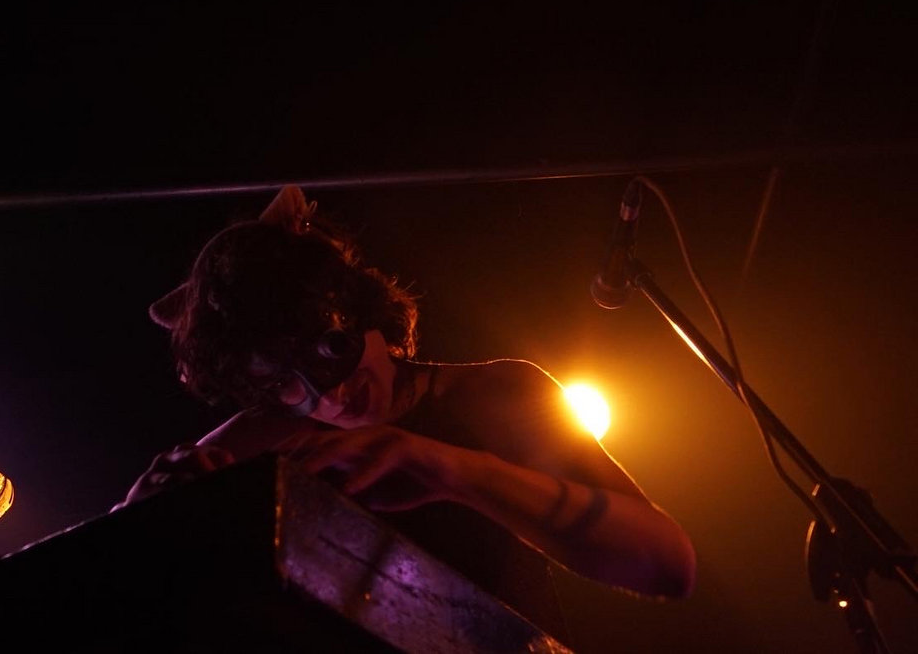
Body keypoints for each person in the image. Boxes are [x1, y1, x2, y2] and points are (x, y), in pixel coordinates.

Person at [120, 185, 696, 601]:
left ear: (359, 307)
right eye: (284, 383)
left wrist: (448, 468)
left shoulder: (494, 395)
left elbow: (669, 562)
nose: (330, 398)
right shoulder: (266, 435)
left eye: (329, 348)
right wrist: (138, 516)